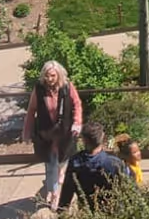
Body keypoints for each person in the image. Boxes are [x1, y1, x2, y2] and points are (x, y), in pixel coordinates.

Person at [23, 60, 83, 207]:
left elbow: (77, 105)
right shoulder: (39, 90)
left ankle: (58, 185)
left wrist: (77, 123)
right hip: (46, 135)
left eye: (52, 76)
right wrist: (26, 131)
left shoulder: (67, 87)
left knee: (62, 164)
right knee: (50, 166)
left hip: (65, 134)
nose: (49, 79)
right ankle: (54, 193)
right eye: (47, 76)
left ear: (58, 75)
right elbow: (31, 111)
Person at [58, 122, 126, 210]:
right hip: (112, 211)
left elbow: (67, 191)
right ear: (102, 137)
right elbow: (125, 189)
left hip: (87, 212)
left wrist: (62, 211)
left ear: (83, 139)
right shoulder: (114, 163)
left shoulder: (75, 162)